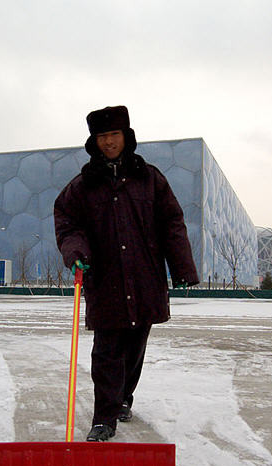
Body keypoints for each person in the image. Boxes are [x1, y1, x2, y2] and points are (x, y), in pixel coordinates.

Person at [54, 105, 199, 442]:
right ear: (94, 140)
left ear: (126, 136)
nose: (108, 142)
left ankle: (122, 398)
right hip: (104, 279)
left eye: (113, 135)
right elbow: (67, 224)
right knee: (107, 350)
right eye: (102, 136)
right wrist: (75, 253)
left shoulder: (150, 178)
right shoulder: (81, 186)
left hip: (144, 277)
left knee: (135, 346)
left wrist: (182, 267)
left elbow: (172, 222)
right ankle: (104, 418)